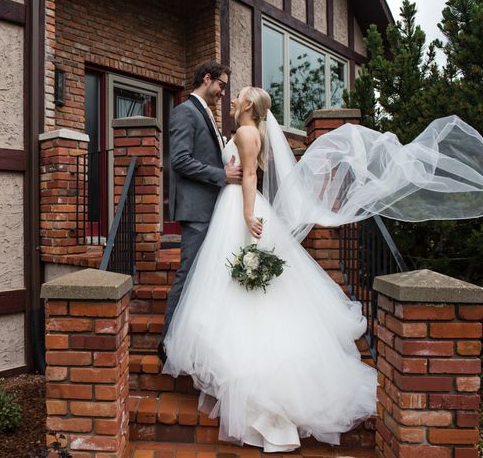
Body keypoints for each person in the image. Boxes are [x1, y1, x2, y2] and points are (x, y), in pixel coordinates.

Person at [162, 85, 483, 452]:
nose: (232, 100)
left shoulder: (245, 132)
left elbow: (249, 176)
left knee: (242, 292)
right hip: (232, 207)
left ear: (248, 104)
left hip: (240, 210)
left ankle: (264, 398)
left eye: (238, 97)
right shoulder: (248, 131)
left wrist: (248, 215)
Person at [160, 61, 243, 361]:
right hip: (196, 210)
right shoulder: (185, 111)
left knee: (205, 276)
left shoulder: (205, 113)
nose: (223, 92)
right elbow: (180, 160)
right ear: (207, 79)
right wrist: (222, 176)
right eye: (221, 84)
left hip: (213, 210)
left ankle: (197, 341)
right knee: (188, 273)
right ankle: (168, 342)